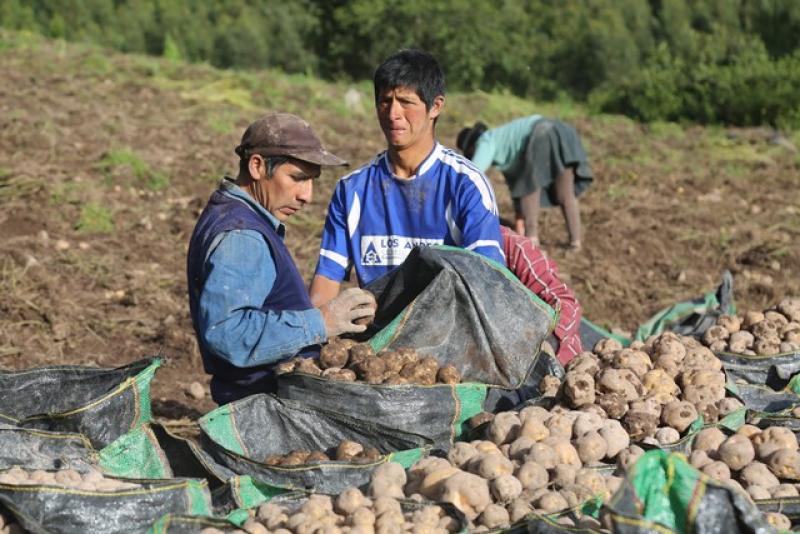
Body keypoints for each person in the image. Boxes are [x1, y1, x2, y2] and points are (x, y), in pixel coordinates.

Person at [187, 113, 376, 405]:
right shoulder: (242, 236)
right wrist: (322, 321)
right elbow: (227, 333)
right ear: (257, 166)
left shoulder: (234, 216)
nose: (307, 196)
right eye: (297, 179)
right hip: (262, 405)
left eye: (312, 181)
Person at [309, 49, 505, 303]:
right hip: (376, 334)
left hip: (447, 333)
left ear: (435, 106)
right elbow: (327, 278)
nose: (393, 114)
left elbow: (488, 283)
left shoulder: (465, 184)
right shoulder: (352, 189)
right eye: (385, 101)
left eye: (406, 102)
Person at [457, 116, 593, 251]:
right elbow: (516, 186)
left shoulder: (485, 141)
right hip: (561, 130)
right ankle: (575, 242)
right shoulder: (505, 147)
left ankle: (531, 241)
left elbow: (473, 175)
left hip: (542, 133)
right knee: (565, 194)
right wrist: (519, 219)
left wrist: (454, 197)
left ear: (471, 148)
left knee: (530, 187)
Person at [500, 225, 582, 364]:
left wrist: (550, 338)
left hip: (558, 361)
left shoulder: (514, 247)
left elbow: (564, 300)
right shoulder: (452, 251)